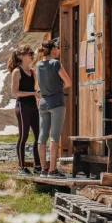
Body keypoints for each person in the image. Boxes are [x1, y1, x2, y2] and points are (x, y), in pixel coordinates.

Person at [35, 39, 72, 178]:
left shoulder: (38, 65)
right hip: (56, 103)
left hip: (43, 103)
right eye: (57, 47)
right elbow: (68, 82)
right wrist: (59, 85)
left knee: (42, 137)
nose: (59, 50)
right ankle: (53, 170)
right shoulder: (56, 63)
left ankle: (44, 170)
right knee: (54, 137)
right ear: (52, 49)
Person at [8, 44, 42, 176]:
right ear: (21, 56)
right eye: (30, 53)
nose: (32, 56)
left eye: (32, 53)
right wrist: (33, 93)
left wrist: (36, 93)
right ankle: (21, 166)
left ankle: (37, 165)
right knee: (24, 135)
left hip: (33, 106)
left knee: (39, 135)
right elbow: (15, 92)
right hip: (22, 106)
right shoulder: (17, 72)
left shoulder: (32, 71)